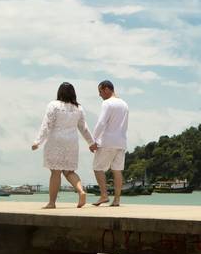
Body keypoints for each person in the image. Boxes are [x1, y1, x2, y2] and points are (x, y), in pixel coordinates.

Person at [32, 82, 92, 209]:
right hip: (72, 142)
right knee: (70, 171)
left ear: (59, 92)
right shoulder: (78, 108)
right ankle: (81, 191)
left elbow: (47, 124)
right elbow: (83, 128)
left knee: (55, 172)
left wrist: (38, 141)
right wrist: (91, 142)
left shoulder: (54, 105)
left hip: (56, 141)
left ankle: (52, 203)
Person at [89, 79, 129, 207]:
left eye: (100, 91)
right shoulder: (124, 104)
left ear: (107, 89)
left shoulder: (107, 103)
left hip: (107, 141)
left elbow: (101, 122)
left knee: (97, 168)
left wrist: (92, 140)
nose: (99, 95)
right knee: (117, 170)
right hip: (121, 142)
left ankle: (104, 195)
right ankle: (116, 200)